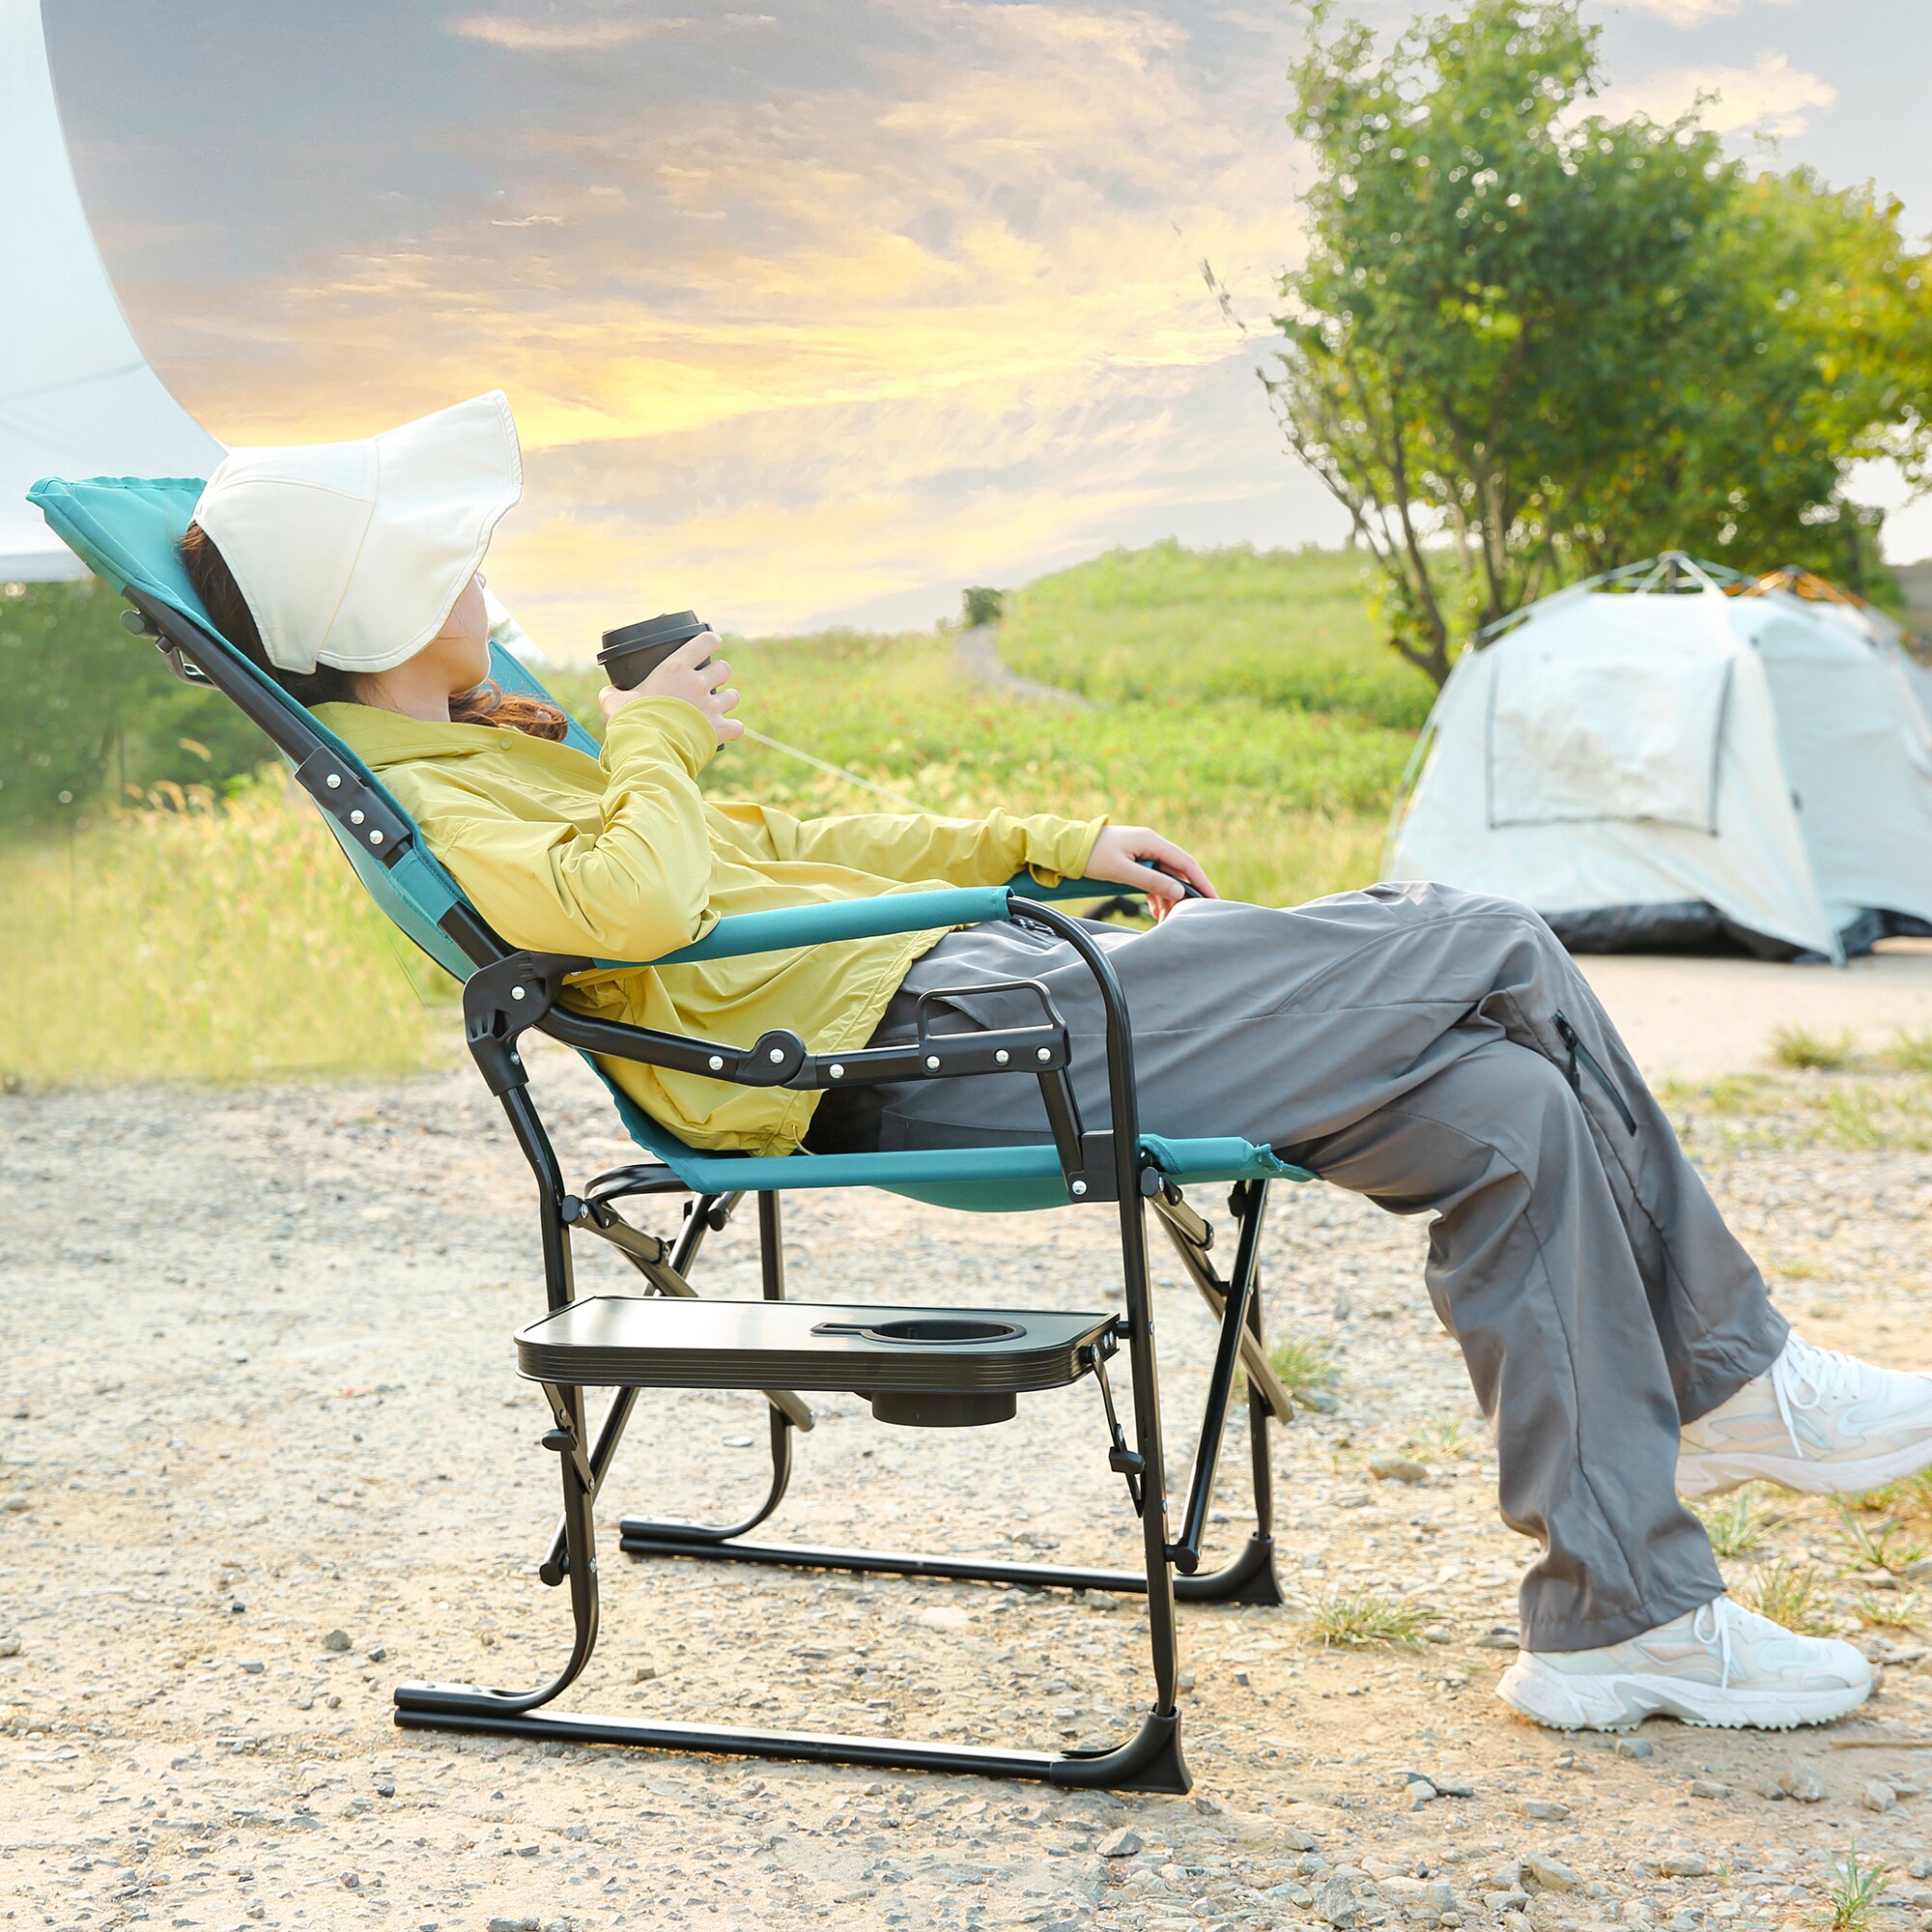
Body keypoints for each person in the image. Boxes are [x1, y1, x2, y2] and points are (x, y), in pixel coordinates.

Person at [182, 392, 1932, 1735]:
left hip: (972, 980)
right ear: (394, 601)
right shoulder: (446, 787)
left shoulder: (515, 734)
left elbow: (803, 833)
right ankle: (1728, 1376)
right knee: (1486, 937)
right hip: (916, 1045)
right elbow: (638, 908)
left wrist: (1051, 831)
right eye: (464, 565)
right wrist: (647, 741)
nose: (492, 584)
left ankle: (1618, 1617)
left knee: (1509, 1108)